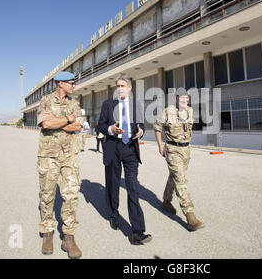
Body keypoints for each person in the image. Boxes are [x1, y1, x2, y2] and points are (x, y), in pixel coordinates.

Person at [97, 75, 152, 245]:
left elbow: (141, 125)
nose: (120, 88)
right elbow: (100, 126)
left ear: (129, 88)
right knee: (113, 184)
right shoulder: (108, 104)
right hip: (113, 147)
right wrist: (111, 129)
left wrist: (141, 131)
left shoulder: (136, 105)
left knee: (133, 188)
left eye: (123, 85)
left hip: (130, 149)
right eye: (118, 85)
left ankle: (137, 231)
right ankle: (114, 215)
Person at [36, 71, 84, 259]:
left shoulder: (74, 103)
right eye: (71, 83)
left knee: (71, 194)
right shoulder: (46, 101)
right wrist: (66, 120)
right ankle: (48, 232)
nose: (74, 86)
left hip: (69, 155)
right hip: (48, 155)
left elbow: (78, 126)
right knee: (47, 193)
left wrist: (57, 122)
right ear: (60, 83)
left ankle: (69, 237)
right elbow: (45, 124)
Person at [153, 88, 205, 231]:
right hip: (172, 149)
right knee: (181, 180)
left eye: (187, 98)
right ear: (176, 99)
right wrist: (160, 146)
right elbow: (157, 128)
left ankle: (166, 200)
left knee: (175, 177)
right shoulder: (167, 111)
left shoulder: (190, 111)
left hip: (186, 150)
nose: (184, 100)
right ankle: (190, 216)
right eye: (182, 98)